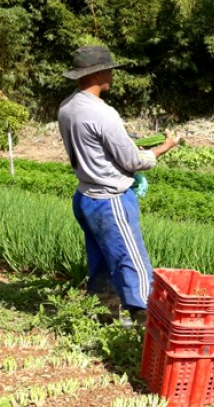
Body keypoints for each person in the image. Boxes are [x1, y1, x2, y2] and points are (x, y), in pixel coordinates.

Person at [57, 46, 180, 326]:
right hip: (109, 199)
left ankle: (105, 318)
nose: (112, 74)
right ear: (97, 73)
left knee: (101, 261)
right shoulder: (103, 113)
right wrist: (164, 148)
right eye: (109, 69)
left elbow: (97, 148)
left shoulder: (67, 107)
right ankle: (146, 323)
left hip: (85, 196)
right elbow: (132, 160)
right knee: (132, 262)